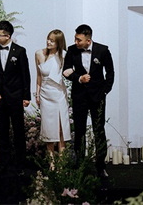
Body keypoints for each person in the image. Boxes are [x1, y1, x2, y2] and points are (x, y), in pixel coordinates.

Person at [63, 24, 115, 178]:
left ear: (88, 40)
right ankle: (80, 165)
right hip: (79, 96)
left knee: (99, 130)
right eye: (75, 39)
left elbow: (110, 72)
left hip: (97, 96)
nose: (76, 42)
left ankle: (100, 166)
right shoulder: (72, 50)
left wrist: (105, 90)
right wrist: (79, 78)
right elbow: (66, 70)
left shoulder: (102, 50)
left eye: (79, 40)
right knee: (79, 131)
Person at [0, 20, 31, 176]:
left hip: (16, 97)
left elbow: (25, 75)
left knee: (18, 131)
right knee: (2, 132)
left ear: (8, 36)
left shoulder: (20, 51)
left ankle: (20, 165)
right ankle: (3, 164)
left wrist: (26, 96)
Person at [34, 29, 72, 164]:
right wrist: (37, 94)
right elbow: (39, 76)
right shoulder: (39, 54)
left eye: (52, 41)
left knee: (61, 127)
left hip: (59, 93)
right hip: (45, 94)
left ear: (59, 43)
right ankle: (51, 163)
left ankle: (62, 163)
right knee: (49, 127)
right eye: (48, 39)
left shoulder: (64, 56)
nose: (49, 42)